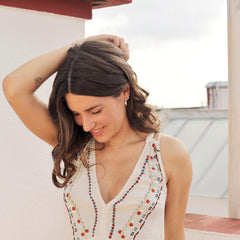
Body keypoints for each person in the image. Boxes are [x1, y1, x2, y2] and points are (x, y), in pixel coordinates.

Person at [2, 34, 192, 240]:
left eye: (95, 110)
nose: (86, 124)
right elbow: (14, 87)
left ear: (124, 92)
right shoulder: (76, 146)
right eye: (76, 113)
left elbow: (174, 234)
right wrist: (76, 48)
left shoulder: (168, 154)